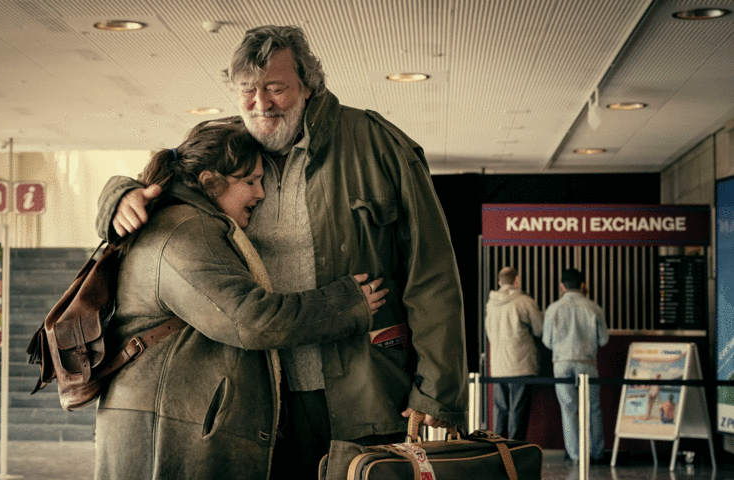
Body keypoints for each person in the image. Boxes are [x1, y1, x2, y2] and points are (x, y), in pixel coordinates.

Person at [96, 25, 468, 478]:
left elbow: (431, 272)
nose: (261, 104)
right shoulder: (225, 151)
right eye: (247, 91)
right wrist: (118, 195)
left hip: (365, 389)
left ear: (309, 86)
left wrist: (438, 390)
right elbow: (162, 183)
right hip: (256, 402)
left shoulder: (375, 144)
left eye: (276, 88)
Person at [94, 122, 389, 480]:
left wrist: (118, 192)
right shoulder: (186, 230)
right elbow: (250, 319)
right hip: (167, 431)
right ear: (208, 182)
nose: (261, 193)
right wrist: (344, 304)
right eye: (250, 181)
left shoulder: (183, 219)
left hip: (166, 421)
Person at [542, 268, 609, 464]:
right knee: (594, 408)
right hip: (587, 362)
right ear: (582, 285)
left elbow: (547, 341)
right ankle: (596, 452)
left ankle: (576, 455)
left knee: (568, 408)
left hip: (561, 363)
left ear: (562, 286)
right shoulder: (594, 308)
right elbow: (603, 339)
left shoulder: (553, 309)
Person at [484, 266, 543, 440]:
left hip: (498, 367)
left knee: (500, 410)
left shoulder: (490, 304)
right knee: (518, 410)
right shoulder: (524, 301)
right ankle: (515, 451)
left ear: (499, 282)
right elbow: (539, 329)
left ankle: (499, 450)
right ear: (516, 280)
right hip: (521, 365)